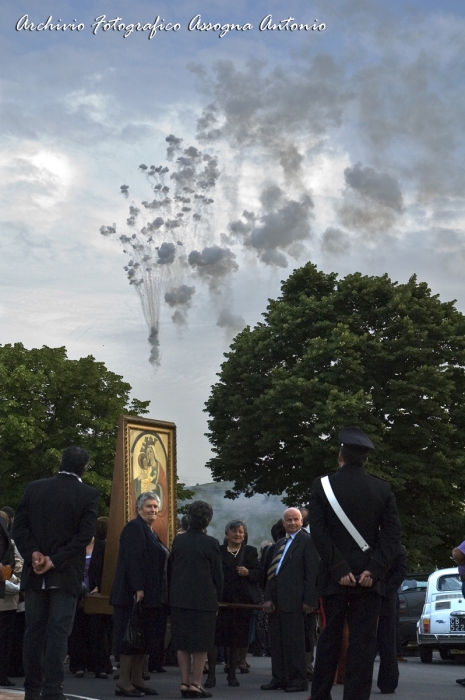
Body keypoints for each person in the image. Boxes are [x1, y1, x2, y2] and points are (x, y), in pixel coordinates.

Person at [308, 427, 401, 700]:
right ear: (366, 460)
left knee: (329, 641)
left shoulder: (321, 486)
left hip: (334, 578)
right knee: (363, 644)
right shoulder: (383, 489)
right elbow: (393, 536)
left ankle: (321, 695)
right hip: (369, 580)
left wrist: (339, 569)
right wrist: (374, 569)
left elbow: (319, 533)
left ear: (340, 456)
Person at [12, 446, 99, 700]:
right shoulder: (88, 494)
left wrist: (34, 554)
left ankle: (31, 690)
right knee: (58, 634)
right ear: (84, 467)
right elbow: (84, 536)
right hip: (65, 574)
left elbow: (20, 527)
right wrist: (54, 560)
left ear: (60, 462)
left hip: (34, 572)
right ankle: (52, 690)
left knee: (33, 633)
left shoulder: (34, 487)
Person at [110, 491, 169, 697]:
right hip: (133, 596)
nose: (153, 510)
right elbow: (133, 559)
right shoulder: (134, 528)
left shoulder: (150, 530)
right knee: (129, 639)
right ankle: (123, 682)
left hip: (149, 597)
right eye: (148, 506)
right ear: (139, 508)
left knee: (141, 640)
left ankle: (137, 680)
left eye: (155, 506)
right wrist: (138, 588)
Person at [261, 508, 319, 693]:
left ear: (302, 522)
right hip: (277, 602)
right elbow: (272, 573)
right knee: (277, 644)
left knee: (295, 644)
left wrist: (310, 600)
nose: (292, 523)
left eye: (296, 519)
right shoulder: (279, 544)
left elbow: (313, 574)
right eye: (288, 520)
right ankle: (279, 678)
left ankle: (298, 681)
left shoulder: (308, 542)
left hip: (296, 602)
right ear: (283, 523)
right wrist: (268, 598)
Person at [169, 500, 223, 699]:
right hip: (204, 600)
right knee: (201, 644)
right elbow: (218, 575)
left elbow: (172, 568)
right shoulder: (211, 543)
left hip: (179, 598)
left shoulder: (179, 541)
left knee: (182, 643)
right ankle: (196, 684)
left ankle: (184, 682)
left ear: (189, 518)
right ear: (208, 520)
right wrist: (219, 595)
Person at [205, 520, 262, 688]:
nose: (238, 534)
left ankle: (232, 674)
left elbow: (259, 573)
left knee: (236, 640)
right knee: (215, 639)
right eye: (234, 531)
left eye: (241, 532)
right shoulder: (219, 550)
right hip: (221, 602)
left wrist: (248, 572)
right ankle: (211, 676)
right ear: (226, 534)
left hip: (241, 603)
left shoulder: (250, 552)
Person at [67, 534, 110, 678]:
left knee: (97, 630)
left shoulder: (101, 546)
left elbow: (107, 569)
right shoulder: (75, 545)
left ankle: (100, 666)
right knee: (78, 630)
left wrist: (100, 587)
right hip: (77, 594)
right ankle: (78, 665)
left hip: (96, 592)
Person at [376, 543, 408, 695]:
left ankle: (388, 682)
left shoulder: (396, 547)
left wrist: (385, 589)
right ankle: (385, 683)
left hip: (385, 596)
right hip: (376, 594)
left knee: (387, 640)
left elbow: (401, 571)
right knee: (365, 640)